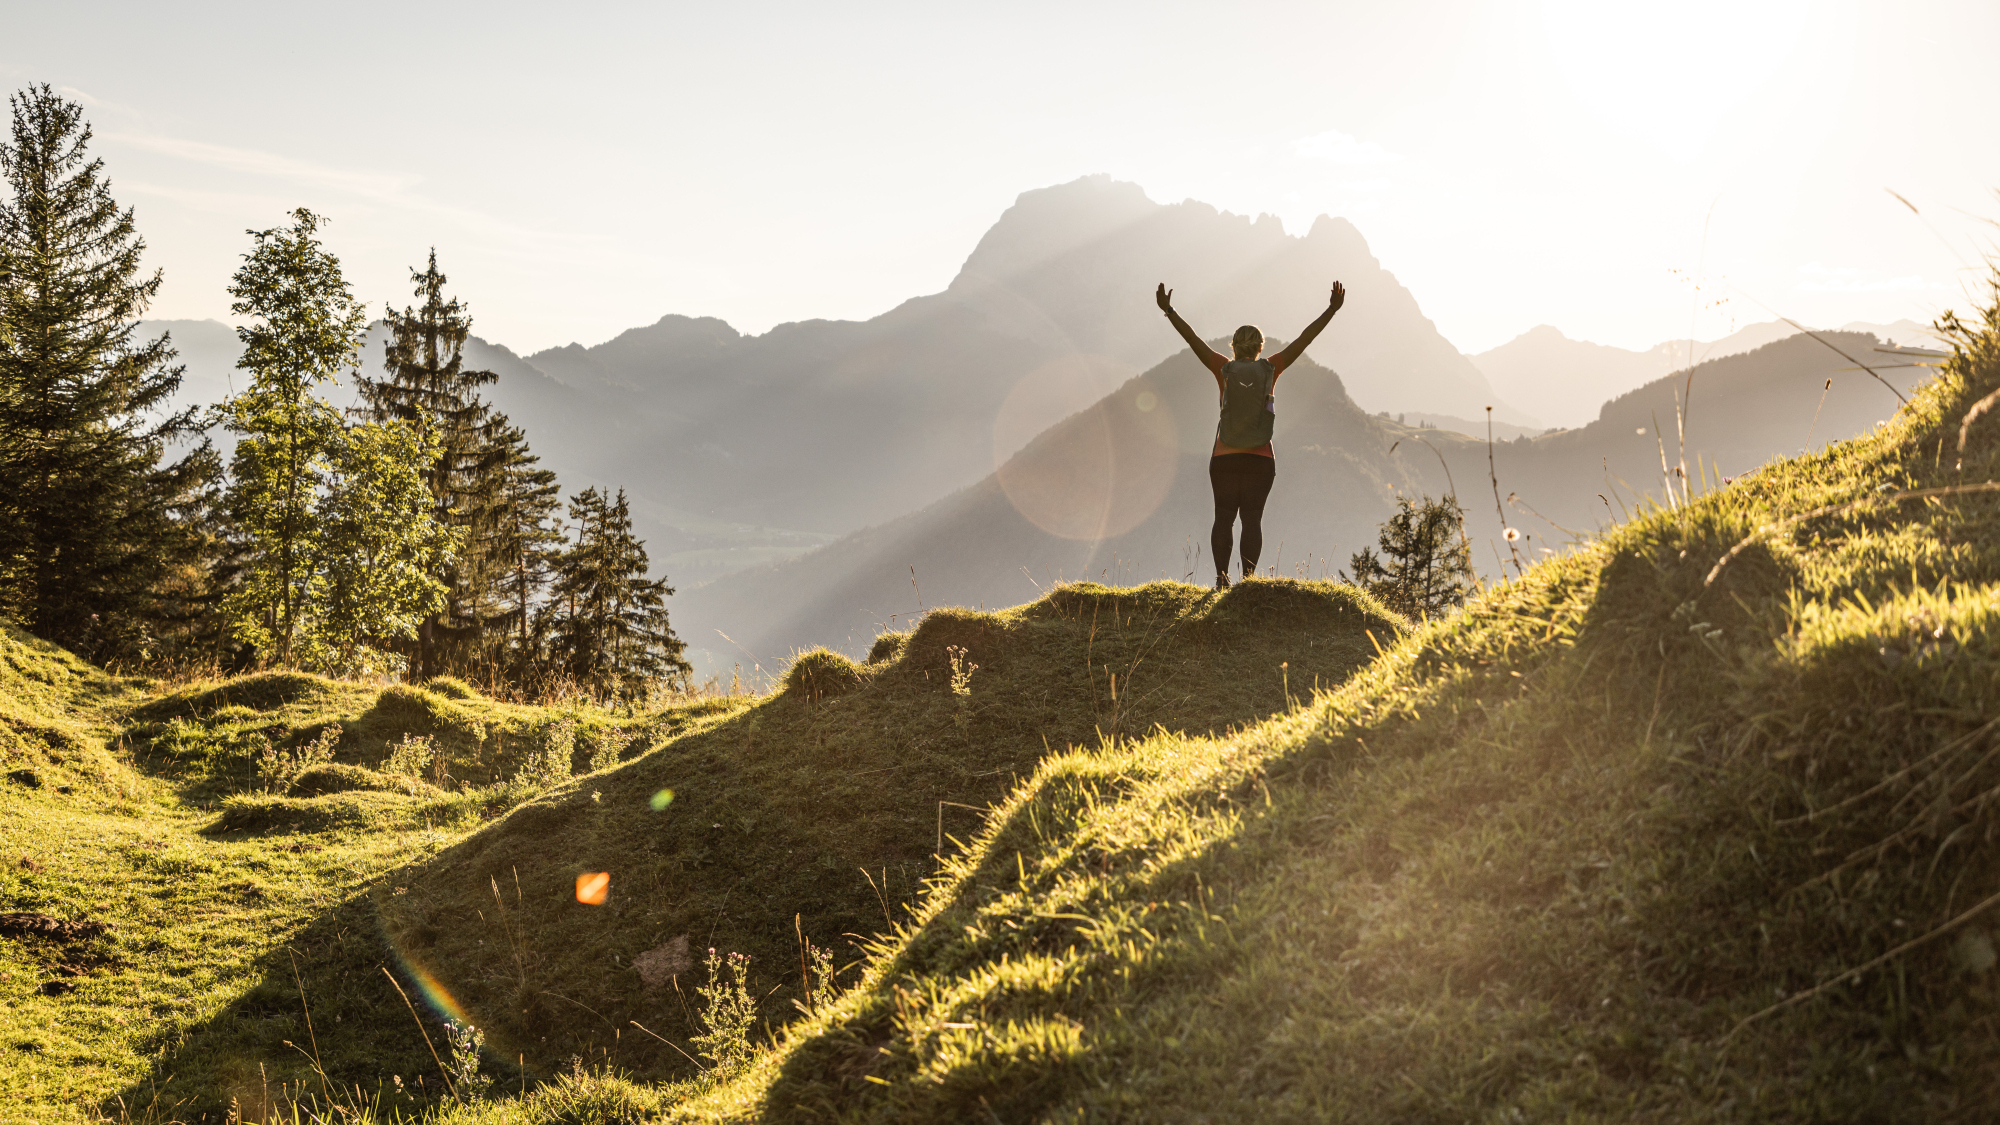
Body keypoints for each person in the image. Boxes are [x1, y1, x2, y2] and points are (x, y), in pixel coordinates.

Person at [1156, 281, 1346, 588]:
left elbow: (1192, 340)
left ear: (1233, 347)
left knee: (1223, 519)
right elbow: (1304, 340)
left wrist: (1169, 310)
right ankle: (1247, 582)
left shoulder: (1223, 368)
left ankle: (1221, 579)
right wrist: (1331, 310)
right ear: (1260, 347)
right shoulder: (1272, 368)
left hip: (1225, 458)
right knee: (1252, 520)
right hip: (1260, 459)